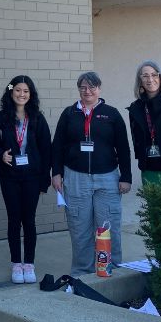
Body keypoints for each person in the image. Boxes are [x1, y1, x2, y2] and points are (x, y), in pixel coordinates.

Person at [51, 71, 132, 276]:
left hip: (107, 178)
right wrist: (56, 173)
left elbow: (123, 147)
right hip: (75, 177)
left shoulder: (112, 114)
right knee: (80, 228)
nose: (87, 91)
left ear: (99, 89)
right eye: (83, 87)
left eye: (92, 87)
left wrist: (126, 177)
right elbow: (57, 146)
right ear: (79, 89)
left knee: (107, 227)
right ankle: (82, 273)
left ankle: (111, 269)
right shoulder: (69, 114)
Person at [0, 75, 51, 285]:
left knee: (29, 220)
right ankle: (16, 263)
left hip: (32, 177)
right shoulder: (1, 117)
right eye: (17, 90)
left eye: (25, 91)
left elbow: (46, 150)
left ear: (30, 94)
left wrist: (44, 181)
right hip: (9, 177)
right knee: (14, 219)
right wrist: (0, 155)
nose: (21, 94)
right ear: (11, 91)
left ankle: (29, 263)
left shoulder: (37, 118)